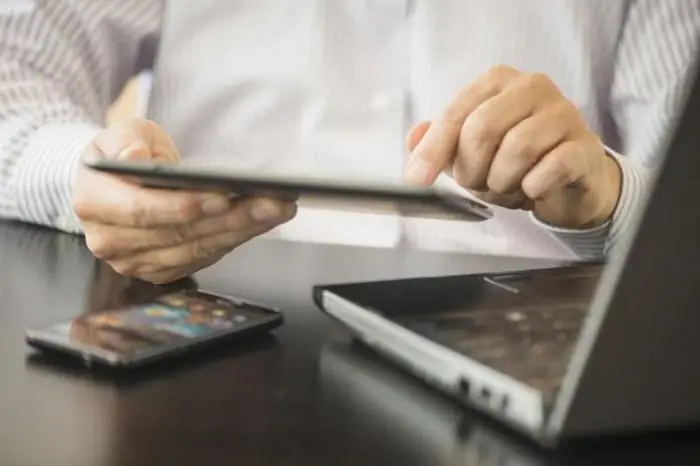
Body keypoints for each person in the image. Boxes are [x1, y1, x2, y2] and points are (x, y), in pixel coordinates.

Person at [0, 1, 698, 284]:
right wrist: (87, 176)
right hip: (204, 331)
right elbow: (13, 75)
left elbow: (684, 198)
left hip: (539, 345)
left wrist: (611, 200)